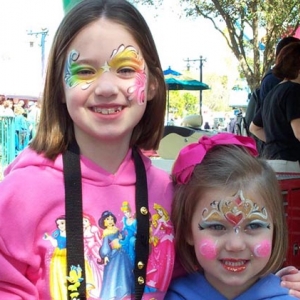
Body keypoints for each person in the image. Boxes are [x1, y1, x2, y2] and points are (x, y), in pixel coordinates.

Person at [0, 1, 174, 299]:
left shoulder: (169, 192)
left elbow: (198, 281)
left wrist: (274, 282)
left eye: (126, 69)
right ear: (59, 86)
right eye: (85, 71)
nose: (106, 87)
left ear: (155, 84)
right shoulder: (22, 192)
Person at [166, 133, 299, 300]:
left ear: (275, 228)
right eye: (217, 226)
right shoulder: (166, 295)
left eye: (253, 226)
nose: (235, 245)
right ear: (187, 231)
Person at [250, 42, 300, 172]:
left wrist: (277, 142)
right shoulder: (295, 91)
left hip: (270, 162)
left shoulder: (273, 92)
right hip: (290, 163)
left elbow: (254, 128)